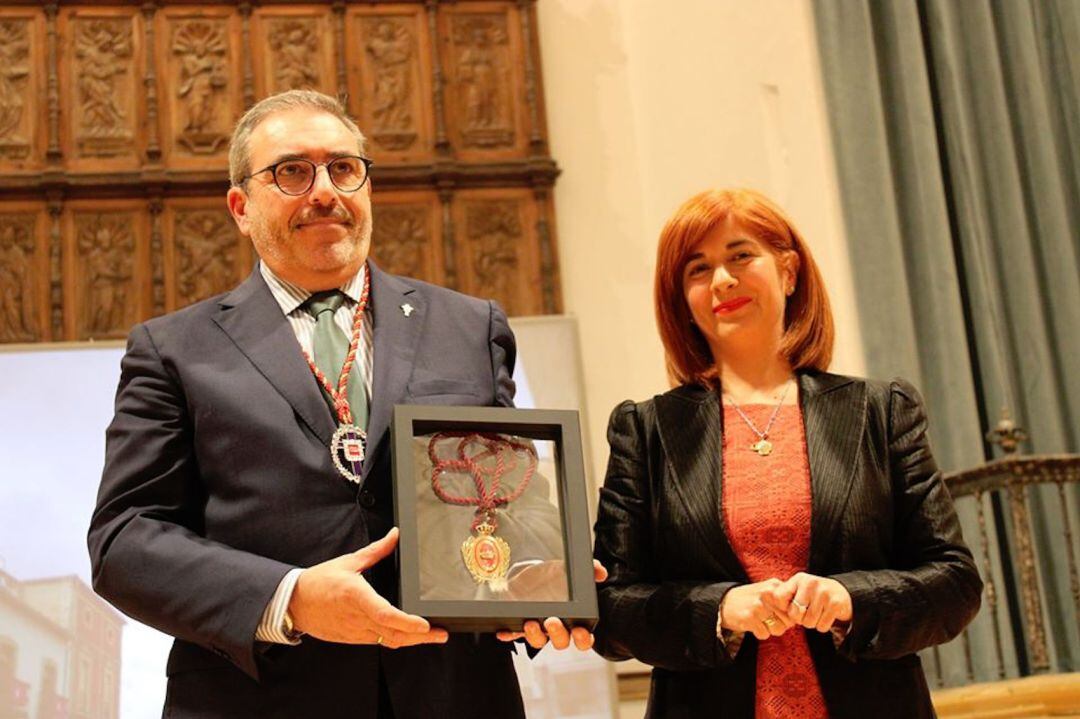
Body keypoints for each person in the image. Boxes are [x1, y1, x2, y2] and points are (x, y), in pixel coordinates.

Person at [88, 89, 598, 719]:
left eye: (344, 168)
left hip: (454, 694)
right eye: (292, 172)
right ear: (241, 207)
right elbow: (125, 542)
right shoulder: (174, 350)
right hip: (258, 699)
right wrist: (291, 597)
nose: (324, 190)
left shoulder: (469, 326)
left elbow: (510, 491)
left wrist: (535, 578)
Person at [592, 188, 982, 718]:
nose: (723, 280)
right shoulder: (646, 430)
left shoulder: (881, 410)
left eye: (740, 255)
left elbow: (955, 583)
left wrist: (850, 600)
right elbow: (609, 612)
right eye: (697, 269)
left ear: (789, 270)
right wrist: (720, 609)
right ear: (681, 300)